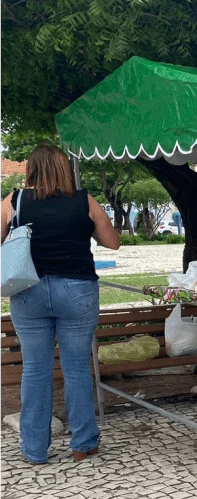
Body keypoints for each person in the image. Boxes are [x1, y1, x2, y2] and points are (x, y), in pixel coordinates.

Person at [0, 145, 120, 464]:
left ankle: (35, 450)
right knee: (77, 367)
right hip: (77, 290)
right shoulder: (85, 201)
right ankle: (83, 443)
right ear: (65, 169)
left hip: (28, 291)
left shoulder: (14, 201)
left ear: (31, 170)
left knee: (35, 369)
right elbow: (113, 241)